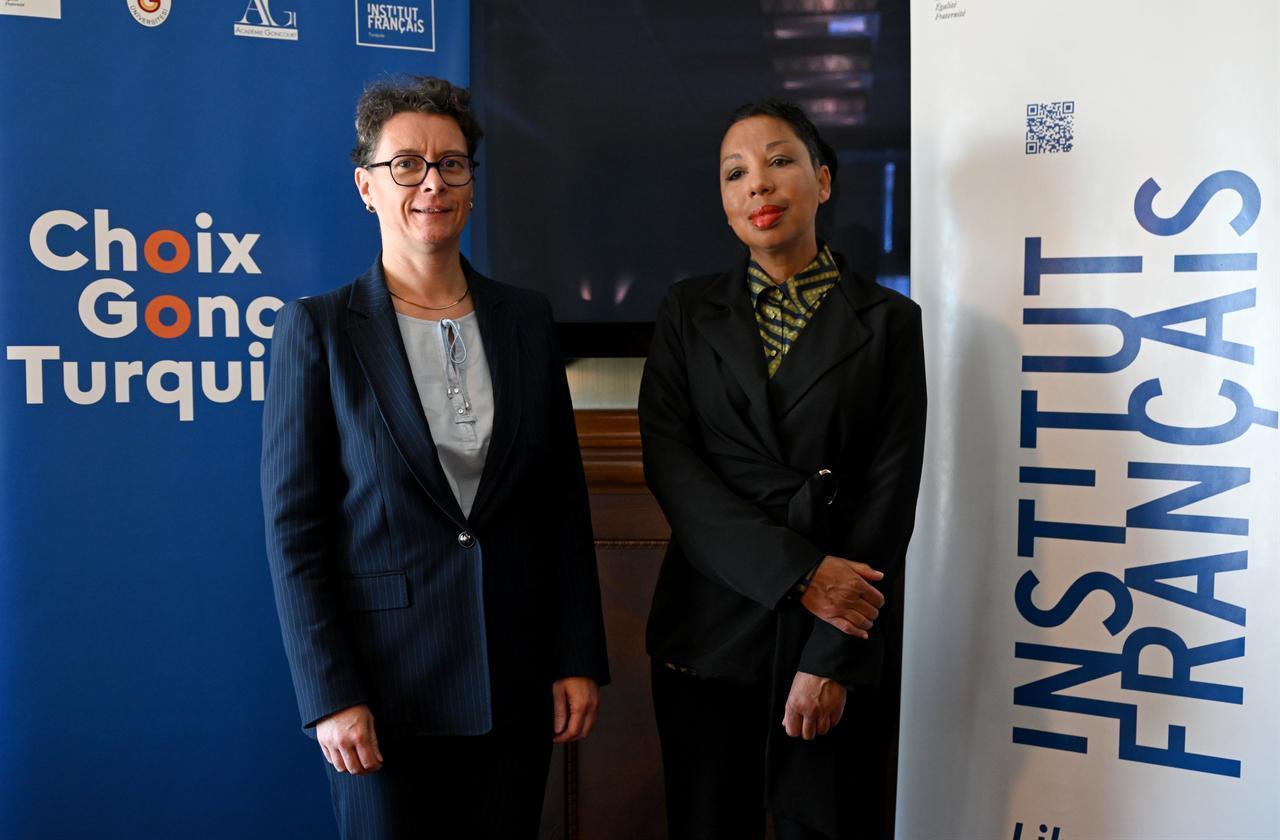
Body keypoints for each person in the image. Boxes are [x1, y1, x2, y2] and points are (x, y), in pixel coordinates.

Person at [260, 75, 609, 840]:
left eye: (451, 164)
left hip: (515, 679)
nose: (432, 183)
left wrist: (576, 654)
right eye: (406, 165)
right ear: (367, 187)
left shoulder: (525, 320)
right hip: (384, 695)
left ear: (471, 185)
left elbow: (561, 502)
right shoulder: (318, 330)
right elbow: (295, 534)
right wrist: (329, 694)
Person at [639, 98, 927, 840]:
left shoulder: (890, 323)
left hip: (833, 638)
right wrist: (801, 574)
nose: (758, 185)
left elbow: (888, 499)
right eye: (735, 173)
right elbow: (675, 472)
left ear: (823, 181)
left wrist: (830, 658)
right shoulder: (685, 311)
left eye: (779, 161)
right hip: (709, 629)